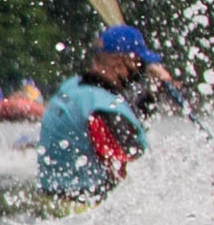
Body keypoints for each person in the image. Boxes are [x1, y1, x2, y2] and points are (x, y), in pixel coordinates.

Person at [35, 27, 153, 198]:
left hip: (49, 194)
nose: (140, 72)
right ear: (118, 64)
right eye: (138, 64)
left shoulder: (71, 86)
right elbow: (133, 162)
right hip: (82, 203)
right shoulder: (104, 109)